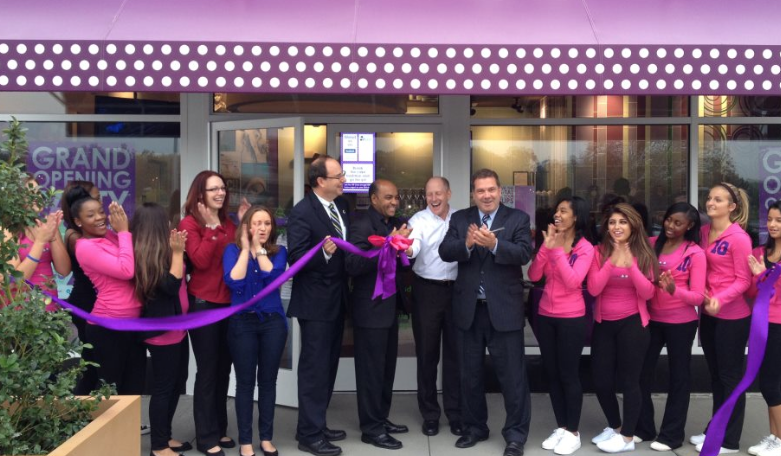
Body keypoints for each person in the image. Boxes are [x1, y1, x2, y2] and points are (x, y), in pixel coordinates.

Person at [439, 169, 532, 456]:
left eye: (491, 189)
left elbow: (524, 254)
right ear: (473, 193)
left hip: (504, 310)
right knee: (469, 375)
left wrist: (494, 245)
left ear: (499, 190)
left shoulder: (517, 218)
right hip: (469, 310)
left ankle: (515, 435)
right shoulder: (460, 218)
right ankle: (475, 428)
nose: (486, 195)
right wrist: (467, 244)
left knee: (512, 378)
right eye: (480, 191)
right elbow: (445, 250)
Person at [287, 156, 349, 456]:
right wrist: (322, 253)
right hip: (314, 303)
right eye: (338, 176)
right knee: (314, 369)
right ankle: (309, 435)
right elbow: (295, 257)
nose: (343, 180)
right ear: (320, 181)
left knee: (327, 367)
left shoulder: (339, 206)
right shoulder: (302, 211)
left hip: (337, 300)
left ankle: (317, 423)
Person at [346, 179, 411, 451]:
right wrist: (385, 247)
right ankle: (370, 429)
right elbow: (352, 264)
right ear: (373, 199)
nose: (394, 202)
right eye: (388, 197)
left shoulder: (392, 224)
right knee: (371, 373)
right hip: (369, 312)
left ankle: (381, 419)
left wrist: (401, 245)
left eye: (396, 197)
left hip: (389, 310)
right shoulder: (362, 224)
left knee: (386, 371)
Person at [587, 203, 657, 453]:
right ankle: (616, 427)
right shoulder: (598, 251)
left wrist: (630, 265)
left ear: (633, 225)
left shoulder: (644, 251)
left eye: (623, 222)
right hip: (604, 323)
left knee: (630, 382)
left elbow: (648, 291)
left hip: (633, 323)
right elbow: (594, 289)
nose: (617, 227)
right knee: (602, 380)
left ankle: (628, 437)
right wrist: (612, 261)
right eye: (613, 222)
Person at [528, 196, 595, 455]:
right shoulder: (550, 242)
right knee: (552, 374)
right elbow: (534, 275)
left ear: (576, 216)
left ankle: (574, 432)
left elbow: (572, 281)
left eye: (563, 211)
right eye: (557, 210)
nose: (558, 214)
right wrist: (547, 248)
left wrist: (555, 250)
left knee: (568, 374)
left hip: (571, 318)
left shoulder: (585, 248)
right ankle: (562, 427)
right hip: (545, 315)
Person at [178, 170, 239, 456]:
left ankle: (219, 429)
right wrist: (212, 229)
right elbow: (200, 262)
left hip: (229, 304)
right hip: (203, 305)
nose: (220, 193)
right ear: (199, 194)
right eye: (214, 189)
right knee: (207, 371)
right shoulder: (189, 223)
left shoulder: (229, 222)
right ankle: (205, 437)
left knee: (223, 369)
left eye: (223, 188)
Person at [636, 203, 705, 451]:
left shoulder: (695, 253)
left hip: (680, 323)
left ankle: (671, 435)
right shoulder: (653, 242)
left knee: (679, 378)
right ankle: (643, 428)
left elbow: (698, 297)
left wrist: (676, 291)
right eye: (668, 220)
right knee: (641, 374)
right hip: (651, 319)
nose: (671, 226)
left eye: (678, 223)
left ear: (690, 226)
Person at [689, 182, 752, 454]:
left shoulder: (739, 238)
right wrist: (702, 292)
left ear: (732, 207)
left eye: (718, 199)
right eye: (710, 198)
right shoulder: (703, 232)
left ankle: (729, 440)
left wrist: (720, 299)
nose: (711, 203)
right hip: (709, 313)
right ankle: (716, 428)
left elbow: (743, 280)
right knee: (716, 376)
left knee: (730, 379)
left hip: (732, 317)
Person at [224, 206, 288, 456]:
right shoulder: (232, 251)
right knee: (245, 383)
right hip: (242, 323)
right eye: (257, 223)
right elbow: (233, 280)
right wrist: (244, 249)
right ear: (247, 226)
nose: (262, 228)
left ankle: (266, 437)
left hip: (272, 323)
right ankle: (246, 440)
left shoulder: (279, 251)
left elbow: (271, 277)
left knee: (268, 382)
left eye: (267, 224)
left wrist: (258, 249)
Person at [131, 203, 191, 456]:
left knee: (178, 381)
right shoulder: (146, 254)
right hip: (163, 332)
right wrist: (177, 253)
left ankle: (165, 435)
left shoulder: (165, 248)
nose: (169, 224)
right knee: (164, 386)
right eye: (165, 221)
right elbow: (168, 286)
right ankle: (158, 445)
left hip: (180, 328)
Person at [73, 193, 146, 394]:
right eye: (90, 215)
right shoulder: (84, 247)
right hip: (108, 325)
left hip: (133, 321)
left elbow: (134, 257)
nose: (99, 217)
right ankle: (102, 426)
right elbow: (126, 270)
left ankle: (128, 426)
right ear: (78, 222)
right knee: (111, 385)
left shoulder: (109, 237)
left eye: (101, 212)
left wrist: (120, 231)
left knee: (134, 383)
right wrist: (123, 231)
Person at [405, 176, 461, 437]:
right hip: (427, 291)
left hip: (457, 292)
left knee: (455, 355)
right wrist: (406, 249)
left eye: (439, 193)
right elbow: (413, 246)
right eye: (429, 194)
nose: (434, 198)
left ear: (448, 193)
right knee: (427, 356)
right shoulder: (418, 220)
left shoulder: (461, 219)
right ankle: (430, 414)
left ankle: (455, 412)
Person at [746, 201, 781, 456]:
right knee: (769, 382)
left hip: (779, 324)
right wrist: (757, 277)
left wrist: (763, 277)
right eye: (770, 219)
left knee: (771, 384)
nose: (772, 225)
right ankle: (774, 438)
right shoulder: (760, 252)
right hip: (761, 323)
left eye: (779, 220)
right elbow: (751, 291)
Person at [7, 175, 71, 310]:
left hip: (49, 310)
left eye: (38, 193)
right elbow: (14, 281)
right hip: (21, 313)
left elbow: (64, 270)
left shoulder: (46, 225)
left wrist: (52, 236)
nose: (37, 198)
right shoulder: (8, 230)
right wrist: (40, 241)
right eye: (30, 194)